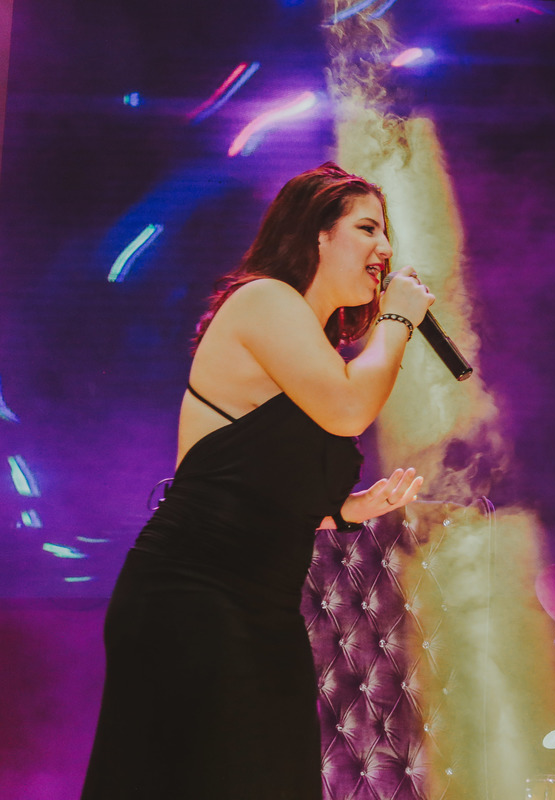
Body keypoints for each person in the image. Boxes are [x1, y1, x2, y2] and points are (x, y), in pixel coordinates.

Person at [81, 162, 436, 800]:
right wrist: (398, 320)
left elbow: (261, 483)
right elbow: (349, 409)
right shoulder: (264, 299)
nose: (385, 247)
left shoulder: (315, 347)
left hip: (262, 607)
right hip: (192, 592)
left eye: (386, 232)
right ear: (317, 233)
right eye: (367, 228)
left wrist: (347, 509)